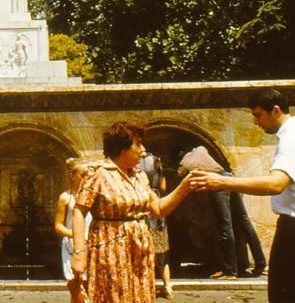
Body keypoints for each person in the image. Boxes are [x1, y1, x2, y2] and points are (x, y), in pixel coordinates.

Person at [190, 88, 295, 303]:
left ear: (275, 110)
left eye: (258, 115)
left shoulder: (293, 137)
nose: (255, 122)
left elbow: (276, 184)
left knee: (286, 296)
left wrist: (222, 181)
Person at [70, 121, 193, 302]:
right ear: (122, 148)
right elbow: (79, 212)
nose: (143, 150)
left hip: (140, 252)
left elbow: (158, 209)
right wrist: (79, 253)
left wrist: (185, 187)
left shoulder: (140, 176)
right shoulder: (97, 173)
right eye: (138, 144)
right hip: (110, 249)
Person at [178, 145, 266, 279]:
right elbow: (204, 151)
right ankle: (261, 265)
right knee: (244, 221)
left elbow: (180, 176)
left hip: (218, 183)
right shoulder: (200, 149)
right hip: (229, 177)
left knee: (225, 226)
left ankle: (230, 271)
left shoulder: (184, 163)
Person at [137, 149, 174, 299]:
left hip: (142, 203)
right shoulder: (157, 160)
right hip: (156, 202)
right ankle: (167, 286)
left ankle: (147, 286)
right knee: (162, 250)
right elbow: (163, 187)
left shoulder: (133, 162)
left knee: (143, 250)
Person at [55, 158, 91, 303]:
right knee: (75, 284)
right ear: (72, 175)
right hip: (72, 245)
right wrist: (75, 235)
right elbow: (58, 226)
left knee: (88, 285)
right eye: (83, 175)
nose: (86, 178)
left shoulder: (92, 197)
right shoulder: (65, 198)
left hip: (91, 244)